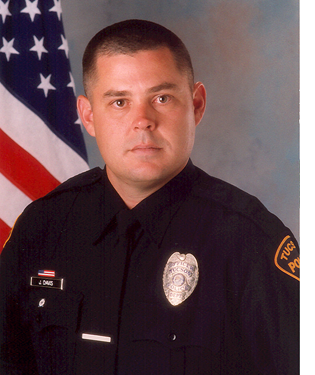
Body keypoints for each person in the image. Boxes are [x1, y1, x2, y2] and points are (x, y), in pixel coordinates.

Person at [0, 19, 299, 375]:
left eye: (161, 98)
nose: (143, 121)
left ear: (197, 105)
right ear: (88, 116)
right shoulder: (42, 228)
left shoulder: (250, 242)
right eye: (120, 102)